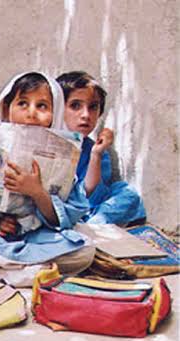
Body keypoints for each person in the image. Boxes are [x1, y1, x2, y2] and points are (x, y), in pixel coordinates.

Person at [0, 72, 96, 287]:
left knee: (85, 249)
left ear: (56, 112)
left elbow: (68, 215)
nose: (31, 114)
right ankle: (22, 270)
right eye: (23, 104)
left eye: (42, 106)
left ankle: (0, 268)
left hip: (35, 238)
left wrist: (36, 192)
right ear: (7, 109)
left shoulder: (63, 153)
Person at [57, 70, 146, 225]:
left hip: (86, 210)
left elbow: (90, 197)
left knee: (128, 194)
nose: (85, 115)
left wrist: (96, 155)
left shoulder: (96, 151)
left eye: (93, 107)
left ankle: (93, 226)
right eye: (75, 105)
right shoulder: (44, 143)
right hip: (51, 210)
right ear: (57, 109)